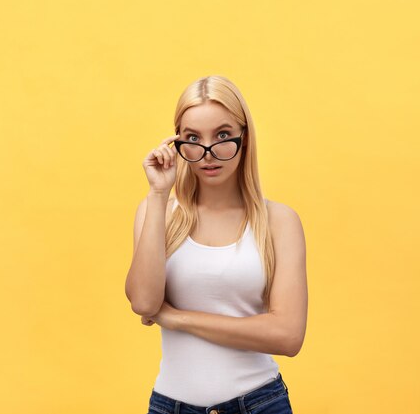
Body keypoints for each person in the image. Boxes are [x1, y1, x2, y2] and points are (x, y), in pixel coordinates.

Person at [125, 75, 308, 414]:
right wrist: (158, 193)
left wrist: (177, 318)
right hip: (171, 406)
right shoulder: (158, 211)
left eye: (223, 136)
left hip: (260, 404)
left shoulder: (280, 221)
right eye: (193, 138)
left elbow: (287, 335)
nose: (207, 153)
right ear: (177, 142)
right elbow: (145, 301)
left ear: (245, 137)